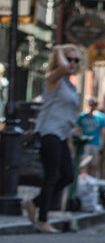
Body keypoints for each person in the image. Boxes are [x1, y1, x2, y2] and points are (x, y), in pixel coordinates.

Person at [25, 44, 84, 233]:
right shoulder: (53, 79)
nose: (72, 63)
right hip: (48, 132)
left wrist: (69, 142)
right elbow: (62, 68)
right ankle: (42, 220)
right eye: (69, 58)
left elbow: (69, 117)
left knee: (67, 175)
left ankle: (35, 203)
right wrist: (58, 50)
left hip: (61, 135)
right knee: (52, 176)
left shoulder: (70, 85)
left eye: (76, 60)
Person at [76, 97, 105, 168]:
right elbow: (77, 129)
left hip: (96, 143)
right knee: (83, 163)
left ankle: (92, 177)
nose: (92, 106)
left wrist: (102, 144)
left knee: (94, 164)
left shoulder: (100, 117)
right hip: (85, 143)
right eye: (91, 104)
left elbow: (103, 131)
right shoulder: (82, 116)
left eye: (94, 104)